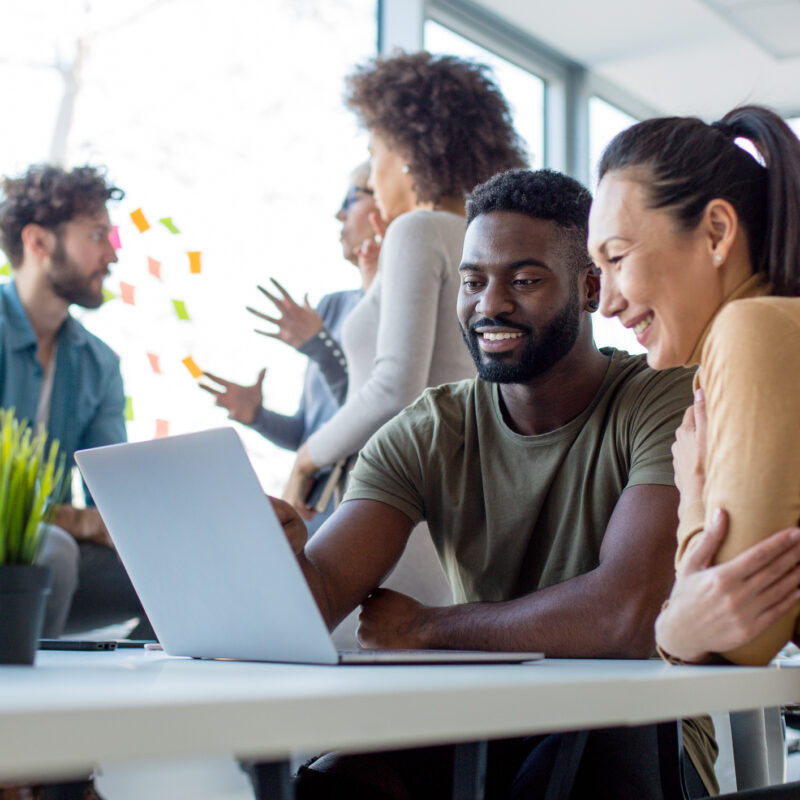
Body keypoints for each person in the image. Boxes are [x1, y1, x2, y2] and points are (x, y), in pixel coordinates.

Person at [267, 169, 716, 799]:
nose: (490, 305)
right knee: (338, 781)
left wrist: (428, 629)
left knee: (573, 758)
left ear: (590, 288)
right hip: (485, 725)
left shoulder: (663, 399)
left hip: (638, 730)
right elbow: (319, 599)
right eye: (473, 282)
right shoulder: (429, 427)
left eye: (524, 280)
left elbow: (624, 620)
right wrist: (274, 560)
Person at [588, 105, 800, 667]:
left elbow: (737, 637)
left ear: (716, 232)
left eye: (616, 257)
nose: (605, 302)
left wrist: (694, 484)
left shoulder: (750, 329)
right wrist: (678, 629)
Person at [282, 51, 527, 517]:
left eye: (375, 155)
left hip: (395, 498)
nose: (373, 174)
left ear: (409, 150)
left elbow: (395, 387)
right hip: (454, 491)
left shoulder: (417, 231)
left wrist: (304, 459)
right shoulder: (485, 239)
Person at [0, 163, 151, 640]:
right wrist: (73, 520)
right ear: (39, 243)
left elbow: (111, 506)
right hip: (46, 552)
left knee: (187, 563)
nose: (111, 255)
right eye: (96, 236)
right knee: (56, 551)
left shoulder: (99, 363)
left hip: (55, 560)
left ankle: (131, 710)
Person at [201, 162, 381, 532]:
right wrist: (258, 417)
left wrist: (319, 346)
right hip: (311, 504)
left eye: (352, 198)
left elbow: (374, 408)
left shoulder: (397, 310)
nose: (339, 213)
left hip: (356, 502)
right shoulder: (331, 306)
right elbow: (309, 432)